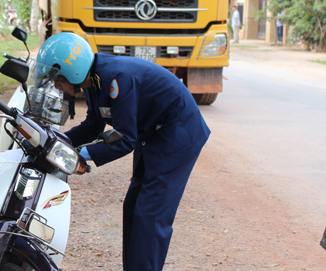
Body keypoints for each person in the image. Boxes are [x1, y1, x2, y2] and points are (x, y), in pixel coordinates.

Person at [35, 32, 211, 271]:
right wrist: (56, 142)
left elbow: (126, 138)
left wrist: (79, 156)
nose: (57, 85)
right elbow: (94, 124)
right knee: (133, 206)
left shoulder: (116, 78)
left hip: (177, 133)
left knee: (151, 215)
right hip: (154, 133)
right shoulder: (93, 78)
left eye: (58, 79)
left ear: (73, 70)